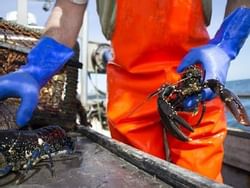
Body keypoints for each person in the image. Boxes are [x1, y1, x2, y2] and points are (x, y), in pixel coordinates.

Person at [0, 0, 249, 183]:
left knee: (202, 175)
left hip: (194, 80)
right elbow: (69, 8)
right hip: (130, 92)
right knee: (136, 177)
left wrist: (226, 43)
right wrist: (36, 68)